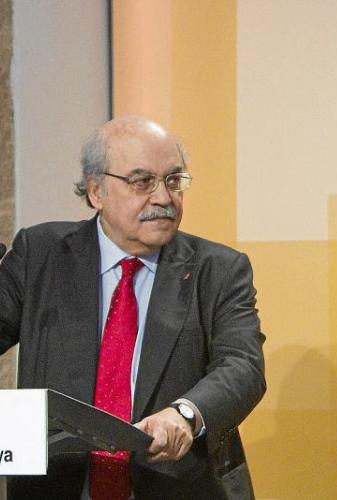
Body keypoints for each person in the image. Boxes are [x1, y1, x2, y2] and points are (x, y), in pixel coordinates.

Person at [0, 116, 266, 499]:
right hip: (58, 484)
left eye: (173, 180)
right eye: (142, 182)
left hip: (174, 486)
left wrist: (185, 414)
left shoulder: (219, 270)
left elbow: (243, 367)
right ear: (96, 191)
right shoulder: (40, 255)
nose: (163, 198)